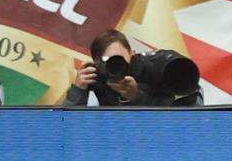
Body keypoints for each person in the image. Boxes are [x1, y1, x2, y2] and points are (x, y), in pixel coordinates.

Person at [65, 29, 203, 106]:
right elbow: (66, 127)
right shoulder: (96, 76)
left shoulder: (152, 67)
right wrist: (78, 90)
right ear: (97, 64)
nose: (115, 64)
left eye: (118, 58)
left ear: (132, 54)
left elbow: (183, 117)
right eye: (107, 61)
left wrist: (136, 96)